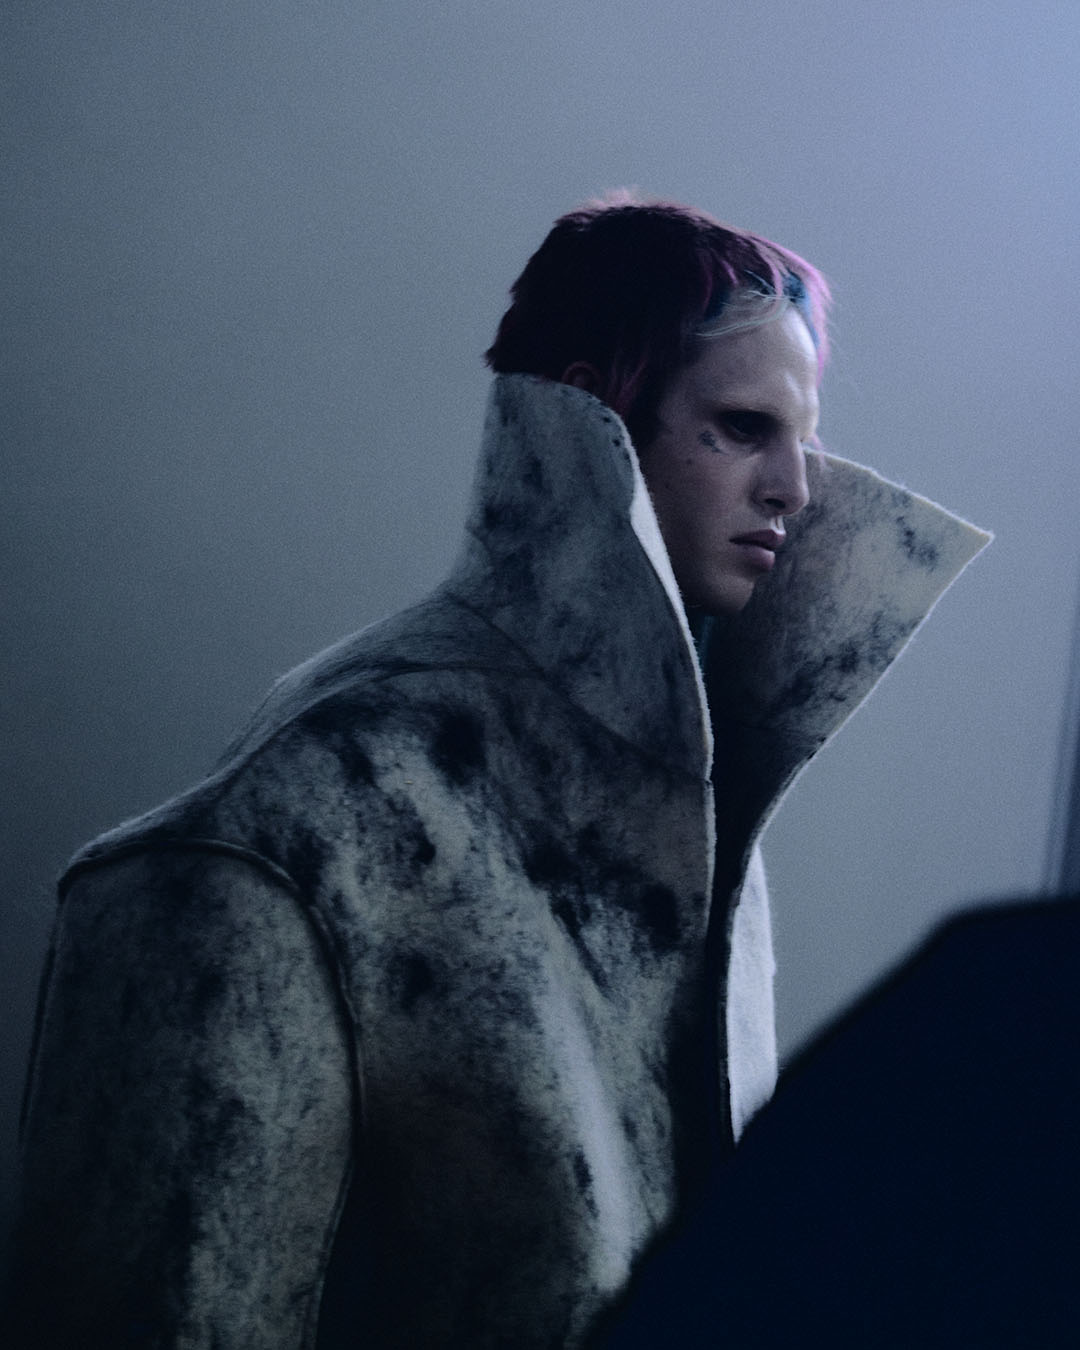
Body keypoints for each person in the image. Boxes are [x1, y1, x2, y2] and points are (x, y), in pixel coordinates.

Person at [6, 196, 989, 1347]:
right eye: (739, 427)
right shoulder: (293, 830)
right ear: (592, 416)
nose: (796, 488)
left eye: (801, 439)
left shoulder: (702, 803)